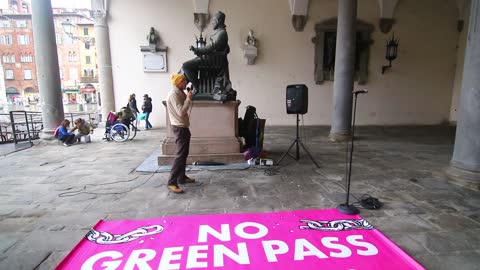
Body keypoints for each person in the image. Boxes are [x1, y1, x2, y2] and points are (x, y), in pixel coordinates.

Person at [181, 11, 230, 92]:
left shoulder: (222, 33)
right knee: (191, 64)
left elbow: (211, 47)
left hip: (213, 61)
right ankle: (193, 85)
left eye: (214, 21)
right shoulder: (219, 32)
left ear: (218, 21)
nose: (212, 23)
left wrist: (197, 50)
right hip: (210, 58)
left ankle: (198, 88)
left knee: (186, 66)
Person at [166, 74, 196, 193]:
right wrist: (188, 98)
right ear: (178, 83)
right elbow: (181, 112)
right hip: (179, 127)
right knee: (180, 155)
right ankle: (171, 182)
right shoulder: (174, 95)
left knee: (183, 153)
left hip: (182, 126)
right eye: (184, 82)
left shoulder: (178, 92)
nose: (186, 83)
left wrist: (187, 96)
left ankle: (181, 177)